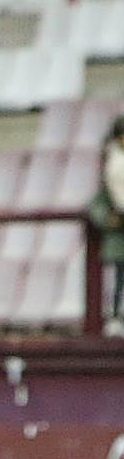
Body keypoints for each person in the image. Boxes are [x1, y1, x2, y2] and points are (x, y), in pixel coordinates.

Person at [95, 114, 124, 336]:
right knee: (119, 275)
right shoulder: (111, 164)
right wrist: (110, 218)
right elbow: (99, 204)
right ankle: (115, 316)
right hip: (119, 232)